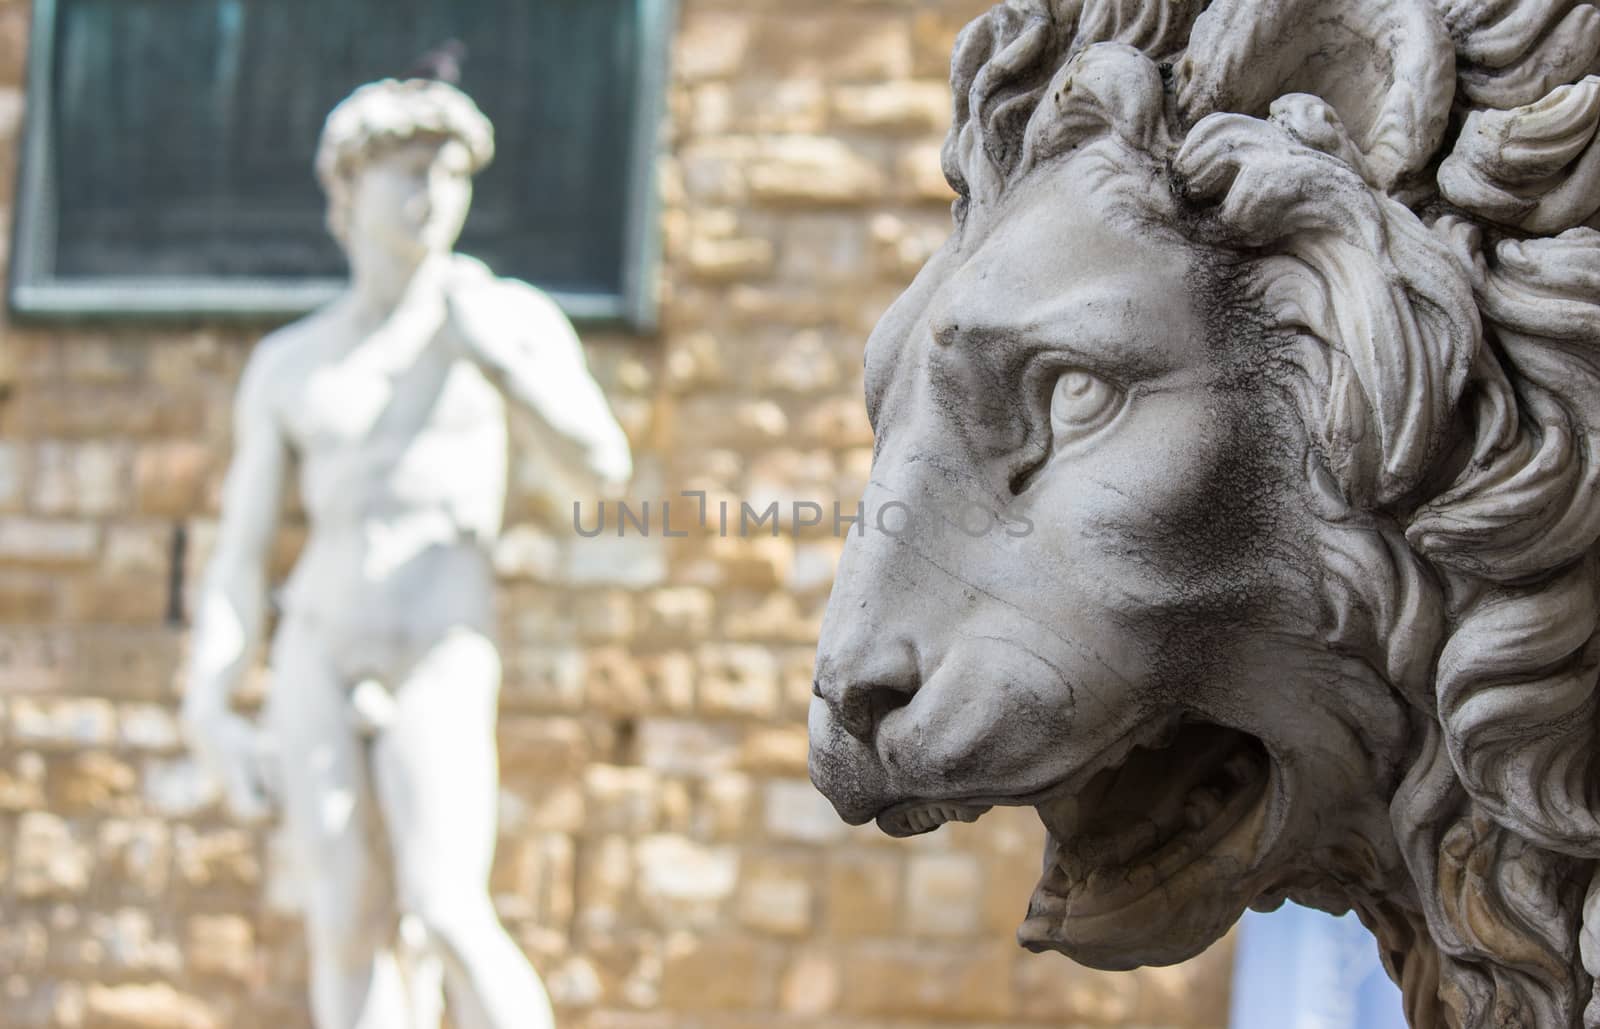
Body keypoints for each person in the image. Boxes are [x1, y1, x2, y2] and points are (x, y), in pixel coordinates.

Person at [181, 77, 632, 1029]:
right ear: (349, 189)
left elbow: (603, 471)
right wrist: (211, 700)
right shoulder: (293, 361)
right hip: (319, 638)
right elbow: (240, 550)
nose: (434, 196)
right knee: (345, 918)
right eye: (408, 174)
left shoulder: (500, 317)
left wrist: (506, 366)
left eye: (451, 175)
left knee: (446, 900)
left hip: (439, 639)